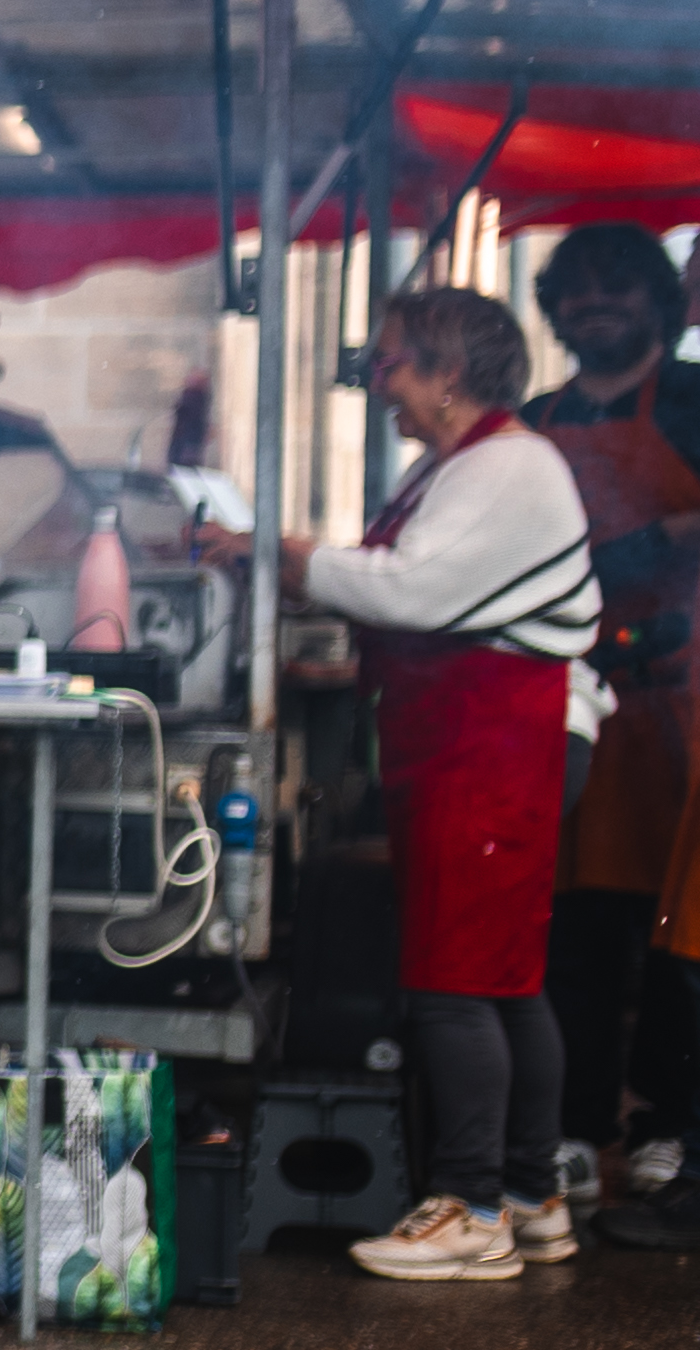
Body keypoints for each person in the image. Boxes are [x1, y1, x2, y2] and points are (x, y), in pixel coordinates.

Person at [235, 288, 600, 1282]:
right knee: (504, 981)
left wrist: (280, 557)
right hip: (480, 740)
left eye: (390, 363)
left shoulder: (506, 464)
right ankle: (530, 1196)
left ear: (448, 373)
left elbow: (411, 589)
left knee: (451, 980)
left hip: (496, 744)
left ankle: (471, 1207)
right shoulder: (462, 465)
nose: (379, 382)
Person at [522, 224, 700, 1194]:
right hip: (571, 704)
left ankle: (668, 1124)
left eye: (617, 287)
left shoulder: (692, 401)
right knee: (575, 929)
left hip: (679, 708)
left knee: (679, 933)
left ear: (657, 302)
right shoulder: (533, 415)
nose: (595, 303)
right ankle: (579, 1129)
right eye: (577, 290)